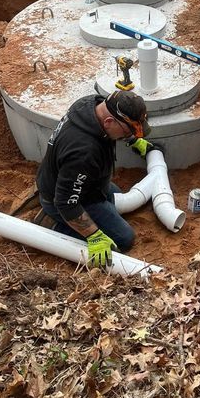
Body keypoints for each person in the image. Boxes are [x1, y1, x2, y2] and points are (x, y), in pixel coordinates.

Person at [36, 91, 152, 268]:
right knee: (123, 239)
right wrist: (94, 236)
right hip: (63, 201)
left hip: (86, 183)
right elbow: (66, 202)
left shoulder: (90, 104)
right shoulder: (84, 153)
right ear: (109, 122)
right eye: (129, 130)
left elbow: (115, 128)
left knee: (117, 195)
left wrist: (132, 139)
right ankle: (53, 224)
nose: (133, 134)